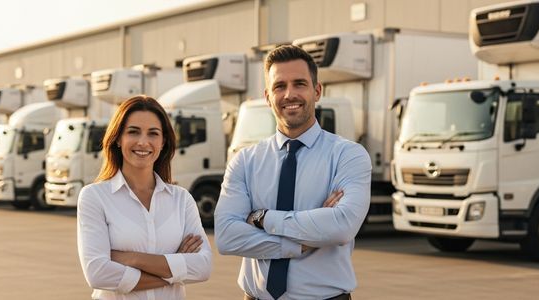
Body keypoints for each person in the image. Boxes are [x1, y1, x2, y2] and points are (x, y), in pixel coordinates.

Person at [214, 45, 371, 300]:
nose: (289, 94)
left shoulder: (348, 155)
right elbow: (227, 237)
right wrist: (302, 241)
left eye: (300, 84)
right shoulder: (245, 161)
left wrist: (263, 218)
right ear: (267, 96)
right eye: (279, 86)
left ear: (317, 91)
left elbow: (341, 226)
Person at [77, 95, 212, 299]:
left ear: (163, 141)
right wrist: (175, 268)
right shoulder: (94, 197)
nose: (143, 142)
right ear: (118, 139)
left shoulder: (181, 199)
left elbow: (203, 267)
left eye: (153, 133)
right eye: (133, 132)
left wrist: (132, 259)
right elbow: (98, 274)